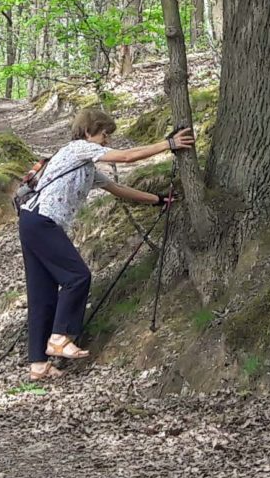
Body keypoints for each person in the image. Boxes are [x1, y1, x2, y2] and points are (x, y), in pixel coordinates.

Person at [15, 107, 191, 381]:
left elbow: (119, 189)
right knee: (77, 276)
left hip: (32, 222)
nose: (108, 140)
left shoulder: (84, 167)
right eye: (105, 134)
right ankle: (59, 338)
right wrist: (169, 145)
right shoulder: (77, 149)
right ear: (88, 132)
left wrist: (157, 200)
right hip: (41, 222)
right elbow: (127, 156)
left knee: (43, 295)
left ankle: (38, 365)